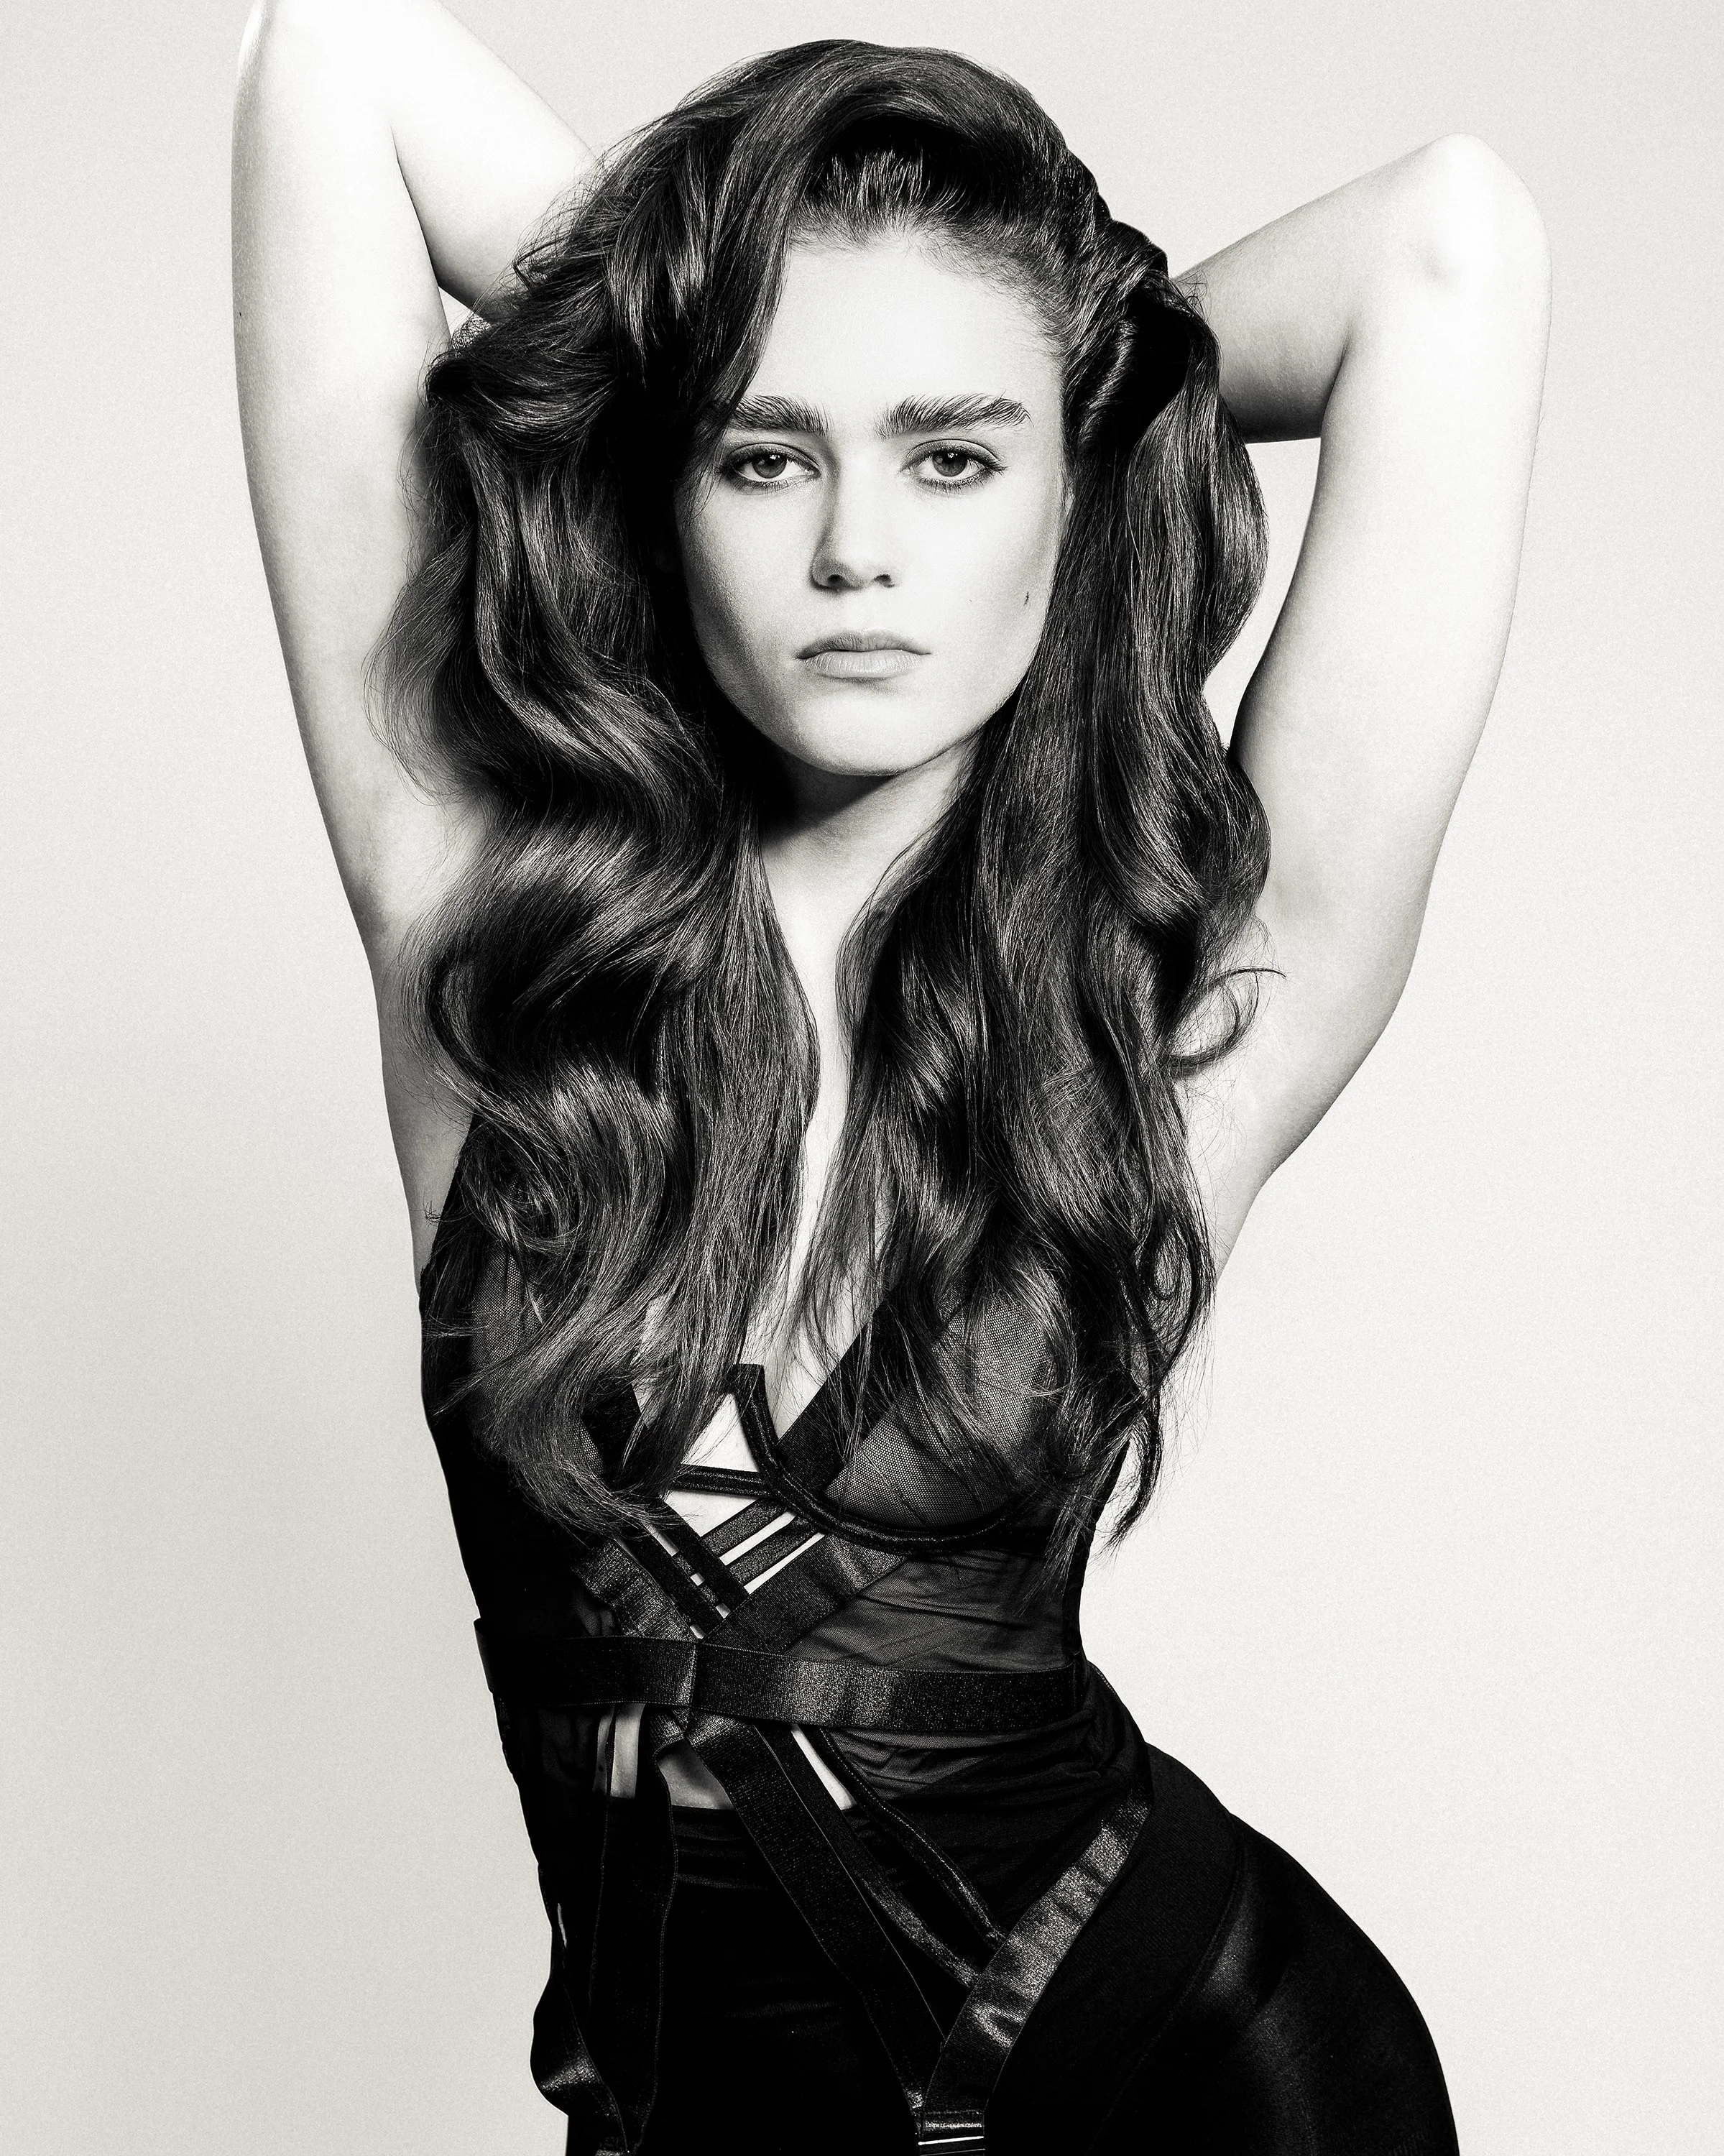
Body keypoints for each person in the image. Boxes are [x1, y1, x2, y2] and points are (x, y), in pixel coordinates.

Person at [232, 4, 1549, 2150]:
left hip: (1192, 2080)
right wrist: (736, 297)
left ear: (1068, 481)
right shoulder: (485, 929)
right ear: (667, 478)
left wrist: (1073, 369)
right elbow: (334, 68)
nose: (856, 547)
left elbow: (1446, 244)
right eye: (764, 451)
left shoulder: (1189, 1013)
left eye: (953, 456)